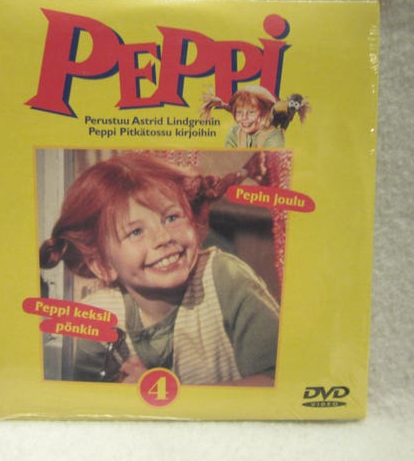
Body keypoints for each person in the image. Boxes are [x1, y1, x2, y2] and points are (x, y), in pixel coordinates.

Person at [40, 152, 279, 386]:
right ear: (103, 266)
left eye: (172, 218)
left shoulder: (225, 278)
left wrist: (169, 393)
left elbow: (278, 380)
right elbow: (90, 404)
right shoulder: (97, 320)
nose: (163, 238)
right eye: (136, 232)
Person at [200, 86, 285, 148]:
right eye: (239, 112)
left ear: (265, 113)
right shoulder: (235, 132)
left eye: (251, 112)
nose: (244, 117)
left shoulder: (274, 136)